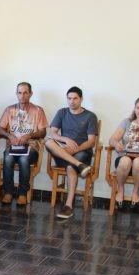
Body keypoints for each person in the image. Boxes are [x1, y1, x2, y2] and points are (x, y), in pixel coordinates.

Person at [44, 86, 96, 219]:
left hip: (82, 151)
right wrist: (65, 139)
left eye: (75, 98)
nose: (72, 101)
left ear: (81, 99)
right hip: (64, 151)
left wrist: (76, 149)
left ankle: (68, 205)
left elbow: (91, 141)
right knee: (48, 142)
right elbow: (52, 133)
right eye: (69, 98)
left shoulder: (90, 116)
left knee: (69, 166)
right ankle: (80, 165)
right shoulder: (62, 112)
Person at [0, 82, 48, 205]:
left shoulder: (38, 110)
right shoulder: (9, 110)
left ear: (30, 94)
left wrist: (29, 135)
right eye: (20, 92)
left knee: (24, 160)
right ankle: (8, 192)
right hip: (13, 146)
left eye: (25, 92)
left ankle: (22, 193)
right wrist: (9, 135)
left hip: (31, 146)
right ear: (16, 94)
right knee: (8, 159)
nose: (22, 96)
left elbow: (43, 132)